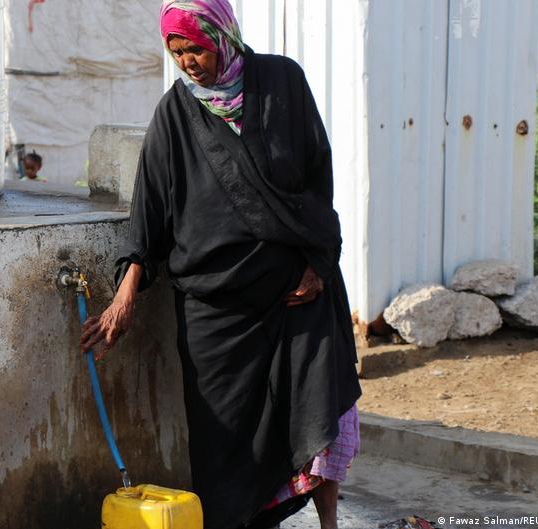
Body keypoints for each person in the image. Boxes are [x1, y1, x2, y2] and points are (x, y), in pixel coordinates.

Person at [79, 1, 362, 528]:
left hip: (292, 292)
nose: (187, 61)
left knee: (318, 410)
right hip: (215, 310)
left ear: (223, 36)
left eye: (196, 48)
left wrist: (319, 265)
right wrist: (124, 295)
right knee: (223, 444)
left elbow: (317, 178)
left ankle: (329, 525)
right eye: (176, 50)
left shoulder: (282, 82)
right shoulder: (174, 113)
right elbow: (151, 215)